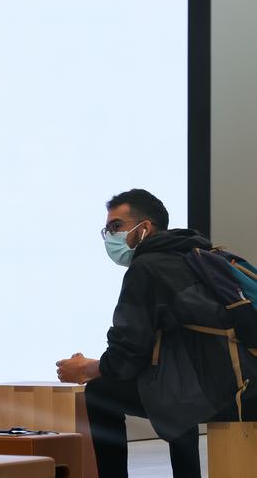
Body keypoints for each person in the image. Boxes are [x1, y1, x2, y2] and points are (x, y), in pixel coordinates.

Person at [56, 189, 257, 478]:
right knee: (171, 383)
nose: (109, 236)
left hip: (224, 392)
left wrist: (89, 368)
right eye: (106, 229)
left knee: (101, 393)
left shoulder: (147, 268)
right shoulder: (196, 253)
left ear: (144, 228)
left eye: (116, 227)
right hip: (244, 382)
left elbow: (126, 356)